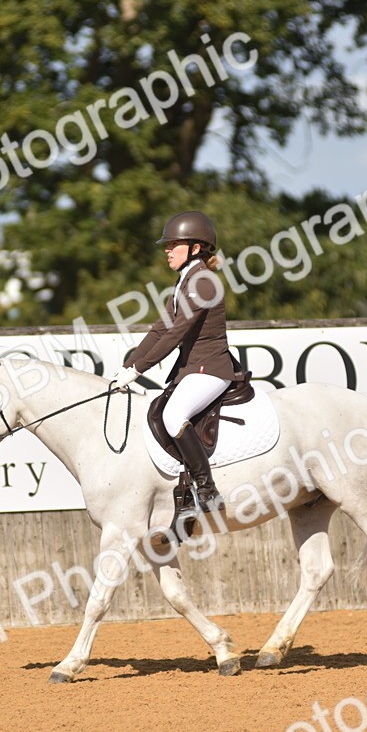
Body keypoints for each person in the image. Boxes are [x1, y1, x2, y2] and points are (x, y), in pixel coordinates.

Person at [109, 211, 240, 519]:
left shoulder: (204, 282)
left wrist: (139, 369)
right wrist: (127, 365)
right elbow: (159, 329)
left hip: (211, 369)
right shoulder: (185, 280)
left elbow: (177, 332)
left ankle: (207, 490)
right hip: (193, 370)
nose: (167, 250)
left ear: (196, 247)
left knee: (173, 414)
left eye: (174, 244)